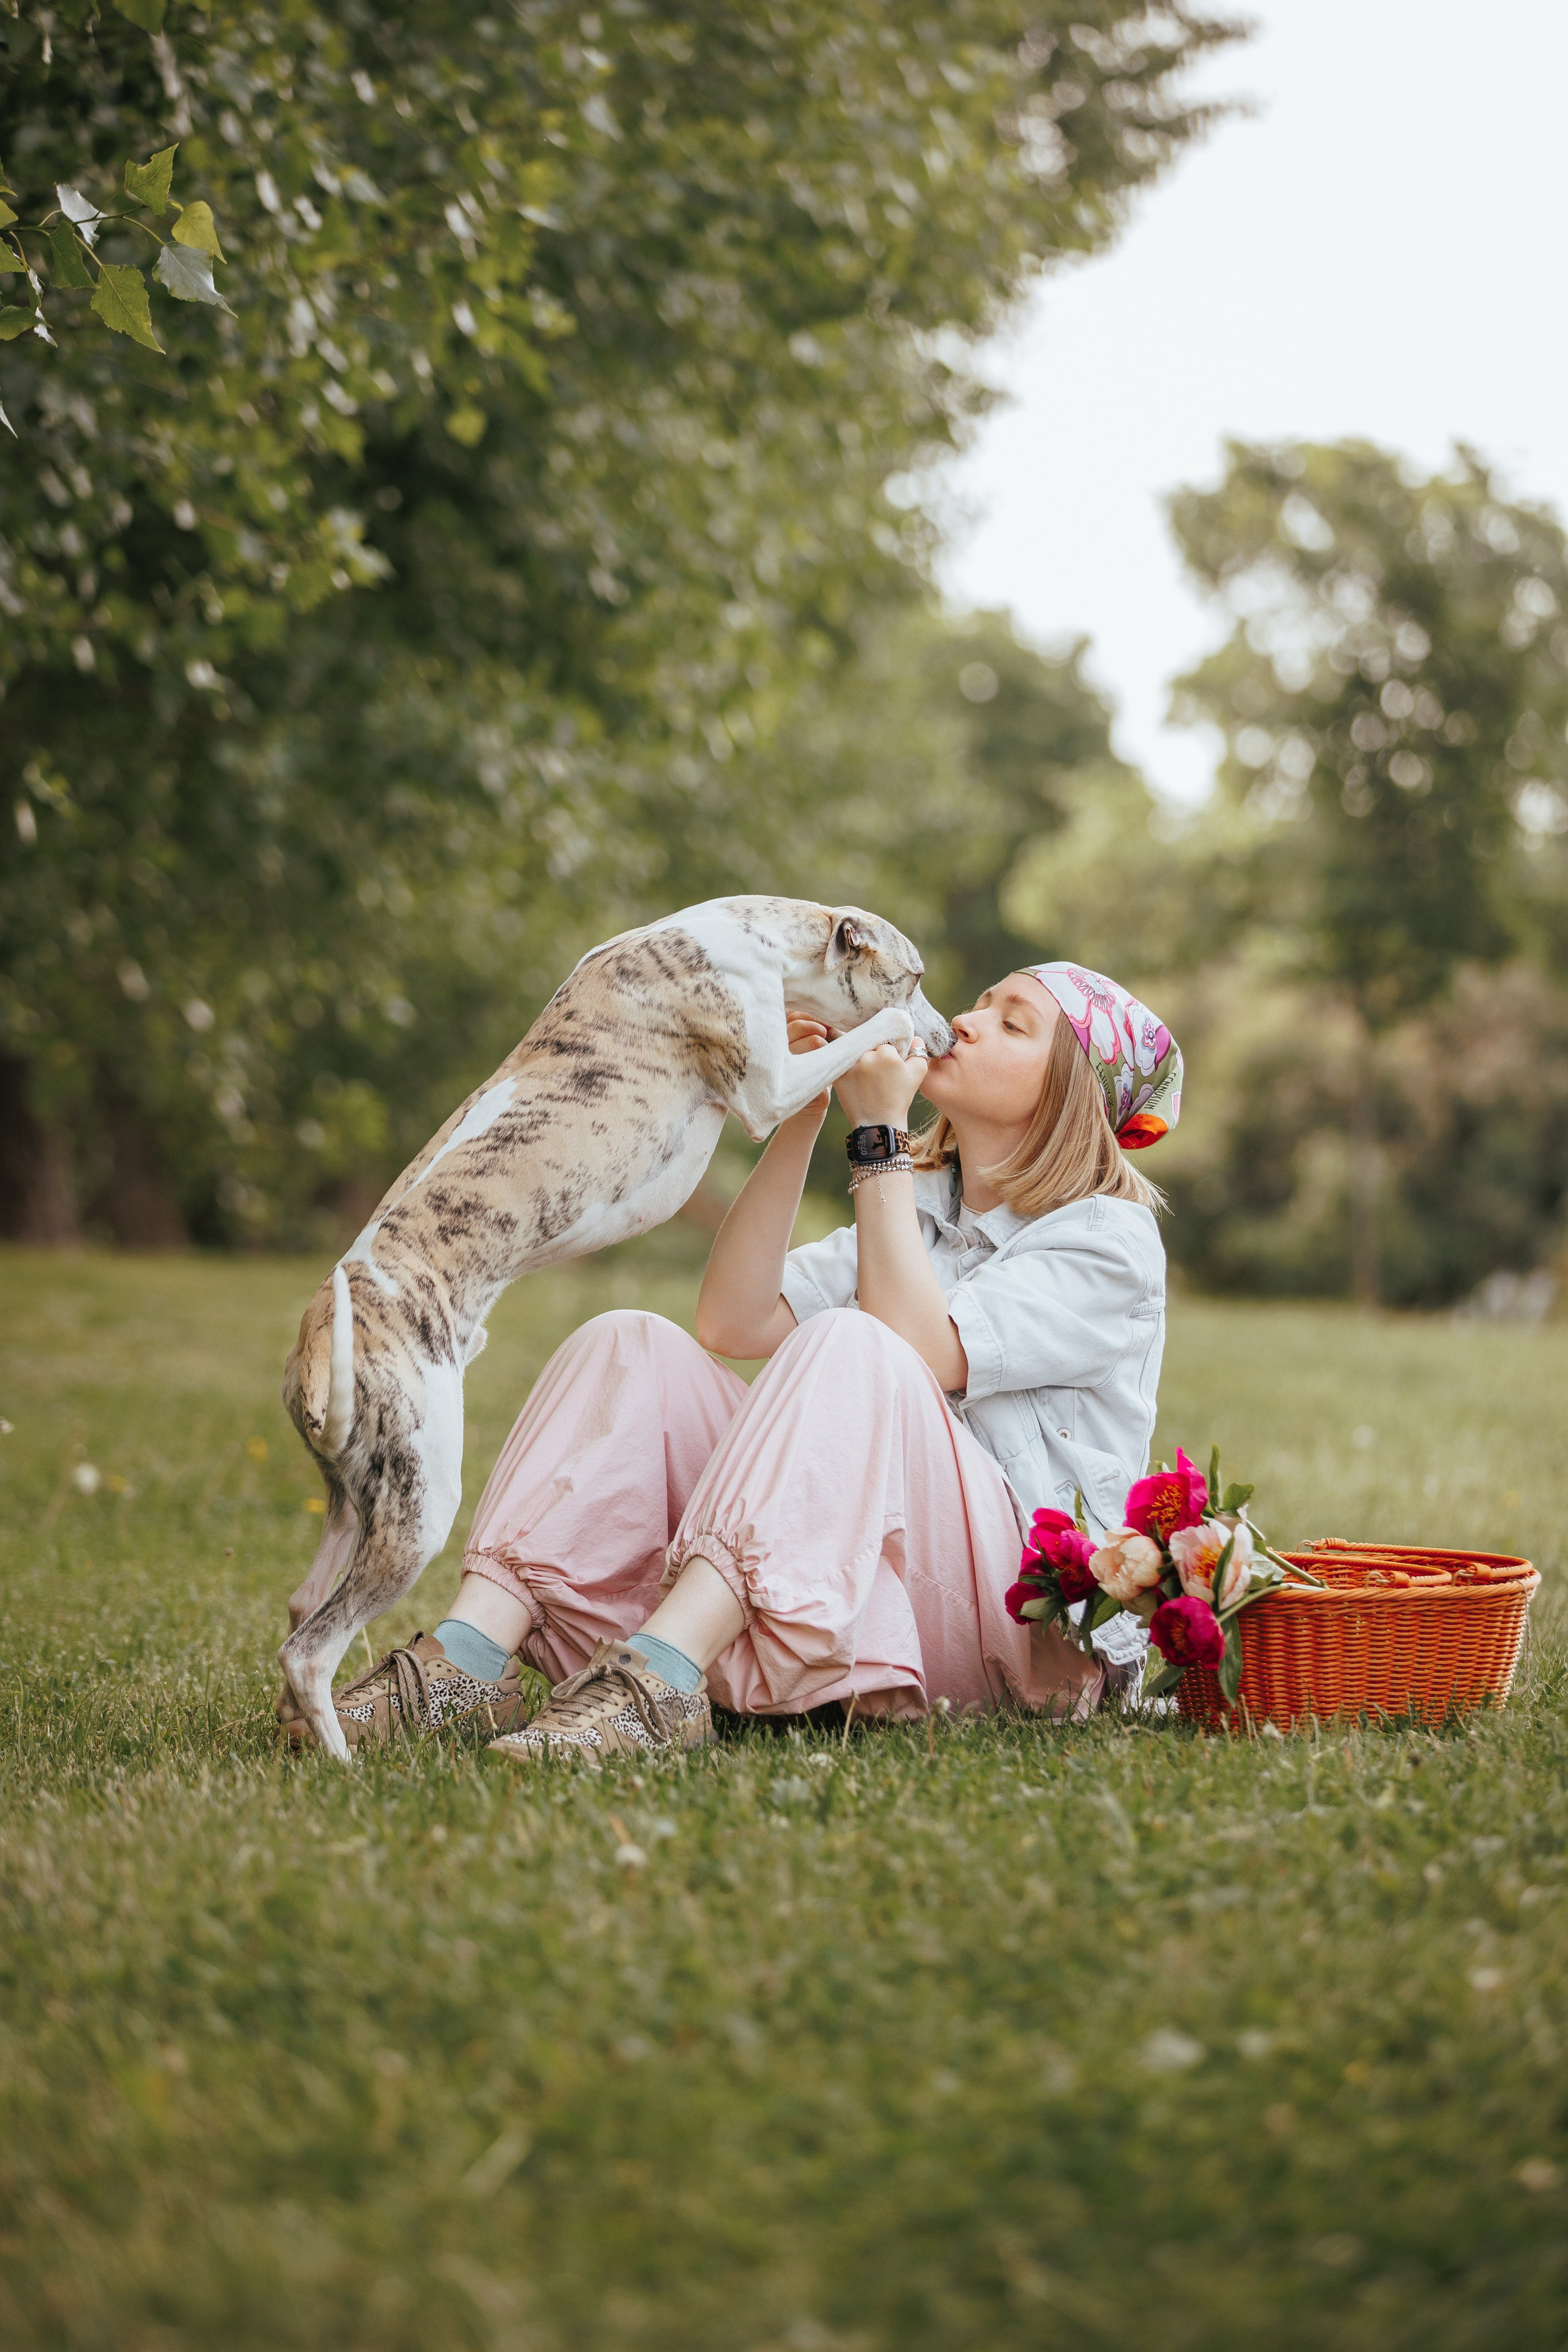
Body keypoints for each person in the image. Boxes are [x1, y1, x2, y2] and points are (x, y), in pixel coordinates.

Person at [300, 962, 1183, 1757]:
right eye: (983, 1002)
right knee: (629, 1344)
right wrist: (803, 1114)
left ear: (1070, 1095)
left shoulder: (1108, 1238)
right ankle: (468, 1659)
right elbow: (733, 1318)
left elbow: (917, 1349)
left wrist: (877, 1134)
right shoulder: (916, 1205)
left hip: (1020, 1636)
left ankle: (661, 1678)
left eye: (1013, 1023)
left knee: (855, 1341)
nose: (969, 1019)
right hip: (884, 1574)